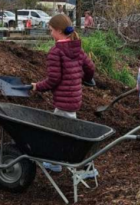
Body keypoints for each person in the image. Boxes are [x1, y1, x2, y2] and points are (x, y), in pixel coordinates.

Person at [31, 14, 95, 173]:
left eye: (51, 30)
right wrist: (85, 79)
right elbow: (90, 68)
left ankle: (84, 168)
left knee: (65, 134)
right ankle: (59, 163)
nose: (50, 33)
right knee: (64, 131)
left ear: (59, 31)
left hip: (63, 101)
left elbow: (53, 79)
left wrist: (36, 87)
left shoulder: (56, 52)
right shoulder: (77, 49)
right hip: (73, 98)